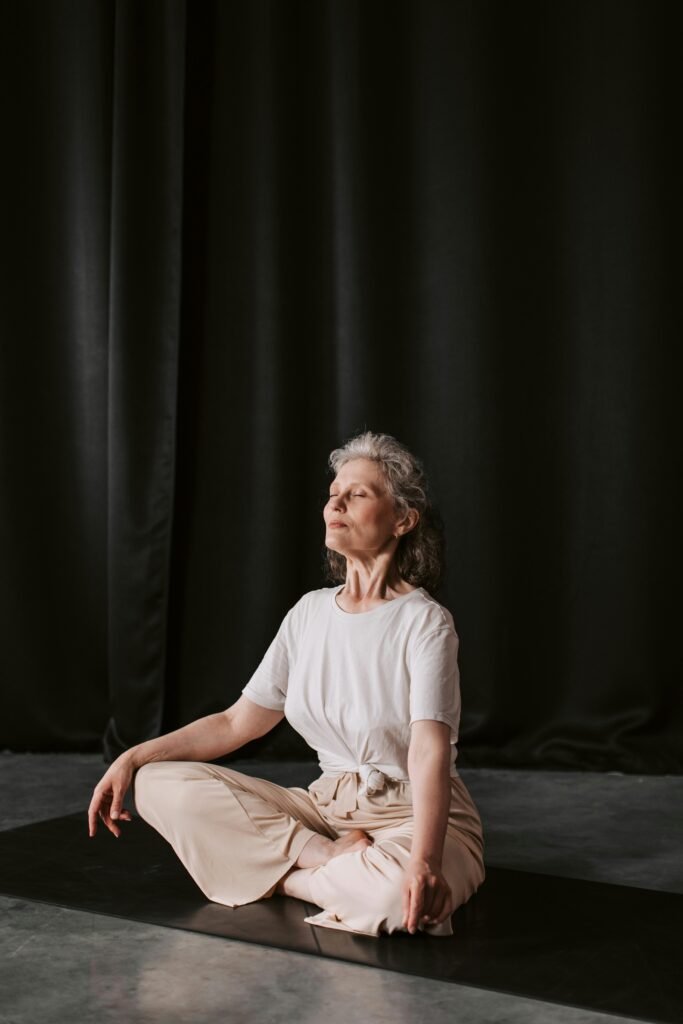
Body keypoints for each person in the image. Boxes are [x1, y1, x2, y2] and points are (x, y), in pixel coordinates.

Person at [87, 430, 485, 937]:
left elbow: (429, 751)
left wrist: (425, 862)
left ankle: (281, 877)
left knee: (395, 897)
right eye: (333, 493)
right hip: (324, 813)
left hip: (412, 819)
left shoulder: (425, 622)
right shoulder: (308, 613)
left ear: (403, 520)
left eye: (357, 494)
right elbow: (237, 723)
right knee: (156, 782)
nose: (334, 504)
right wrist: (132, 757)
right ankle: (325, 860)